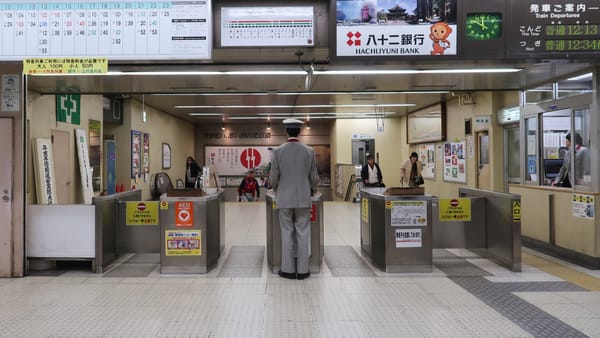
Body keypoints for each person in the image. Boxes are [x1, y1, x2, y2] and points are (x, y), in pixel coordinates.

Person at [269, 118, 319, 280]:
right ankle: (303, 270)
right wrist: (312, 189)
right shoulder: (309, 151)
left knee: (286, 233)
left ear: (286, 131)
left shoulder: (278, 151)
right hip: (304, 198)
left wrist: (278, 190)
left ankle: (288, 270)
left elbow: (273, 177)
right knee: (303, 233)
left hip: (284, 198)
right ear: (300, 131)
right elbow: (314, 177)